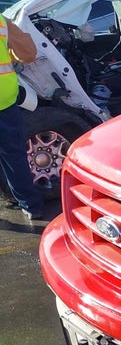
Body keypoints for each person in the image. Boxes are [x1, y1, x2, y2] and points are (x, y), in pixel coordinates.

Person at [0, 13, 44, 221]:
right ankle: (31, 206)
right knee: (13, 156)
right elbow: (29, 54)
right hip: (3, 101)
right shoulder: (1, 21)